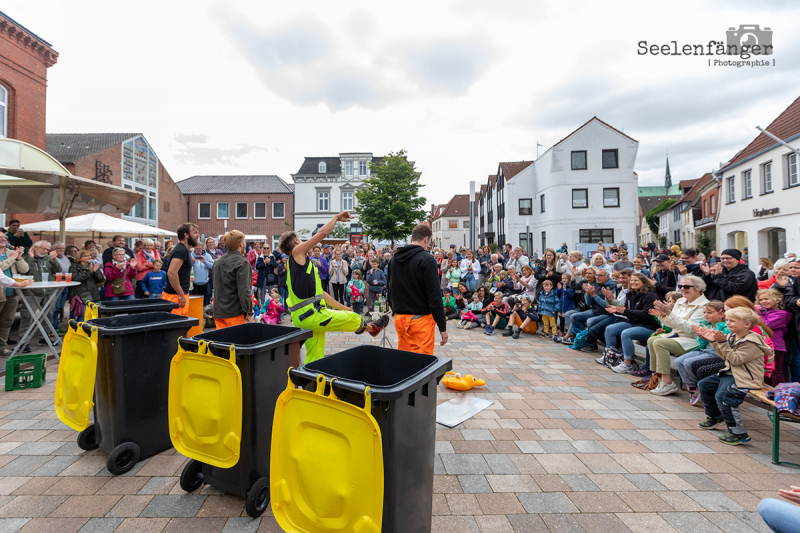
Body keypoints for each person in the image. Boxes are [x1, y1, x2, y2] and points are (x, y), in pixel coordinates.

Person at [280, 213, 388, 363]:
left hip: (304, 317)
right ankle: (372, 329)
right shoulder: (297, 253)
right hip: (311, 316)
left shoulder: (301, 267)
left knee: (315, 355)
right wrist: (336, 218)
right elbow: (322, 233)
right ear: (297, 241)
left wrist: (343, 307)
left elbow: (323, 294)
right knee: (354, 318)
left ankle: (309, 381)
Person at [697, 306, 768, 445]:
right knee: (704, 384)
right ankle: (715, 416)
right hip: (732, 372)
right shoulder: (732, 335)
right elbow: (725, 356)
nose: (728, 323)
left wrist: (722, 343)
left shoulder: (751, 342)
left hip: (746, 377)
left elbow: (735, 359)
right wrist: (713, 341)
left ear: (747, 324)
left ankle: (738, 432)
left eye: (732, 321)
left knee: (724, 398)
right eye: (728, 320)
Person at [386, 224, 448, 353]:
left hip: (400, 318)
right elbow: (435, 296)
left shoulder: (393, 260)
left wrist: (395, 309)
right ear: (426, 239)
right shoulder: (427, 260)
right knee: (422, 364)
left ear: (411, 239)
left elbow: (390, 288)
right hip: (421, 320)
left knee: (405, 361)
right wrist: (442, 326)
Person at [645, 275, 710, 396]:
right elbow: (673, 325)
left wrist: (669, 313)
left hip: (694, 340)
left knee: (659, 343)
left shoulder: (704, 305)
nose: (682, 289)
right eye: (680, 286)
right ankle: (657, 376)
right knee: (651, 340)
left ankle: (667, 382)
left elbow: (690, 329)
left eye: (686, 286)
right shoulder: (681, 301)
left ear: (698, 289)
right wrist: (663, 315)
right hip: (678, 335)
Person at [602, 273, 659, 373]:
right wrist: (617, 309)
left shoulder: (650, 296)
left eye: (636, 280)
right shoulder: (631, 294)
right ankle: (611, 357)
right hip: (634, 323)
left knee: (626, 333)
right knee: (610, 329)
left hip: (649, 326)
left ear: (643, 282)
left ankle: (627, 364)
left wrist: (624, 311)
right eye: (632, 280)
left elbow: (646, 314)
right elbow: (628, 311)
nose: (633, 282)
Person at [674, 301, 728, 404]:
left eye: (710, 312)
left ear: (721, 314)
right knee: (678, 361)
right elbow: (701, 343)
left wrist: (712, 337)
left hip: (716, 354)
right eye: (704, 312)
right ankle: (692, 386)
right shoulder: (705, 324)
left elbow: (723, 344)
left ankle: (699, 384)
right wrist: (702, 337)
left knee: (688, 363)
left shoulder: (725, 327)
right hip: (704, 350)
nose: (706, 315)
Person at [19, 241, 61, 353]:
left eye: (47, 249)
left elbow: (58, 271)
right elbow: (25, 270)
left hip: (48, 291)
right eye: (43, 249)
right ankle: (23, 342)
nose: (45, 251)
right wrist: (30, 258)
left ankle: (44, 338)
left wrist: (53, 260)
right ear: (35, 248)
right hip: (31, 292)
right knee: (27, 316)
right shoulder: (26, 258)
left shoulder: (48, 259)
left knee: (49, 315)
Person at [212, 230, 254, 329]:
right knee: (237, 342)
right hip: (235, 312)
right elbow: (244, 290)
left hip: (219, 312)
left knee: (222, 343)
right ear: (241, 244)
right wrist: (249, 311)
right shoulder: (242, 262)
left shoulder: (218, 262)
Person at [0, 234, 29, 356]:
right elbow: (1, 268)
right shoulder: (10, 255)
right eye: (0, 237)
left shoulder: (10, 252)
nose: (3, 239)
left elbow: (24, 270)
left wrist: (19, 258)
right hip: (1, 293)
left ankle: (2, 347)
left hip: (12, 293)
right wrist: (12, 258)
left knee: (7, 322)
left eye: (5, 237)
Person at [162, 223, 200, 316]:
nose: (198, 235)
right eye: (195, 233)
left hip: (177, 295)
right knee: (175, 328)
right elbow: (171, 273)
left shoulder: (183, 249)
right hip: (175, 296)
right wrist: (181, 294)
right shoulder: (181, 250)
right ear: (186, 235)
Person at [758, 288, 792, 386]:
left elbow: (766, 324)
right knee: (764, 370)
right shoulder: (763, 313)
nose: (763, 301)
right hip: (764, 345)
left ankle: (778, 392)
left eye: (766, 299)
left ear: (777, 300)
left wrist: (757, 315)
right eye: (761, 300)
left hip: (776, 347)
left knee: (776, 371)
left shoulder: (782, 314)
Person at [68, 250, 104, 321]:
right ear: (80, 257)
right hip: (81, 295)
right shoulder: (74, 266)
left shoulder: (93, 265)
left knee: (94, 316)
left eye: (90, 255)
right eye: (87, 255)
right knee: (83, 317)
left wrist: (95, 272)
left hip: (93, 294)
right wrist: (89, 272)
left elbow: (101, 280)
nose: (89, 257)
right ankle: (79, 331)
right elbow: (76, 279)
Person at [51, 242, 72, 332]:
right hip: (56, 285)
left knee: (60, 307)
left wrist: (64, 275)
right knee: (55, 307)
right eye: (59, 248)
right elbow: (53, 273)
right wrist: (64, 275)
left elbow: (69, 269)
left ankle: (56, 326)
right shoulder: (51, 258)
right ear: (54, 249)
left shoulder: (65, 258)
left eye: (63, 248)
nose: (61, 250)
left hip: (65, 284)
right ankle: (52, 328)